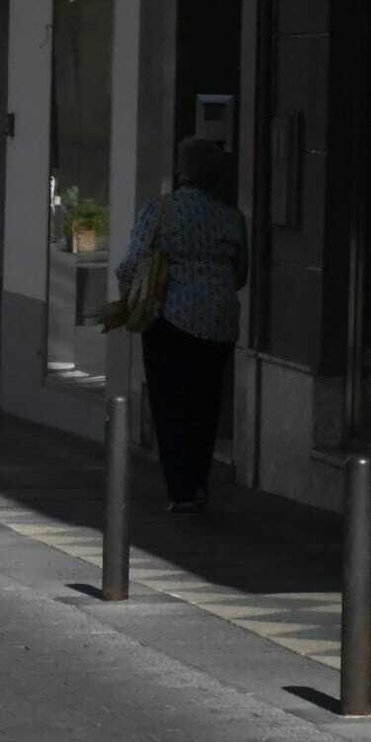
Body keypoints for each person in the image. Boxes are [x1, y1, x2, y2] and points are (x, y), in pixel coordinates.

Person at [115, 136, 247, 514]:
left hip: (169, 318)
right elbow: (241, 274)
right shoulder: (232, 217)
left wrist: (132, 297)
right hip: (220, 322)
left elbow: (132, 263)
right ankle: (199, 481)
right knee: (206, 404)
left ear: (180, 169)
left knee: (170, 403)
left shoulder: (160, 210)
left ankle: (181, 489)